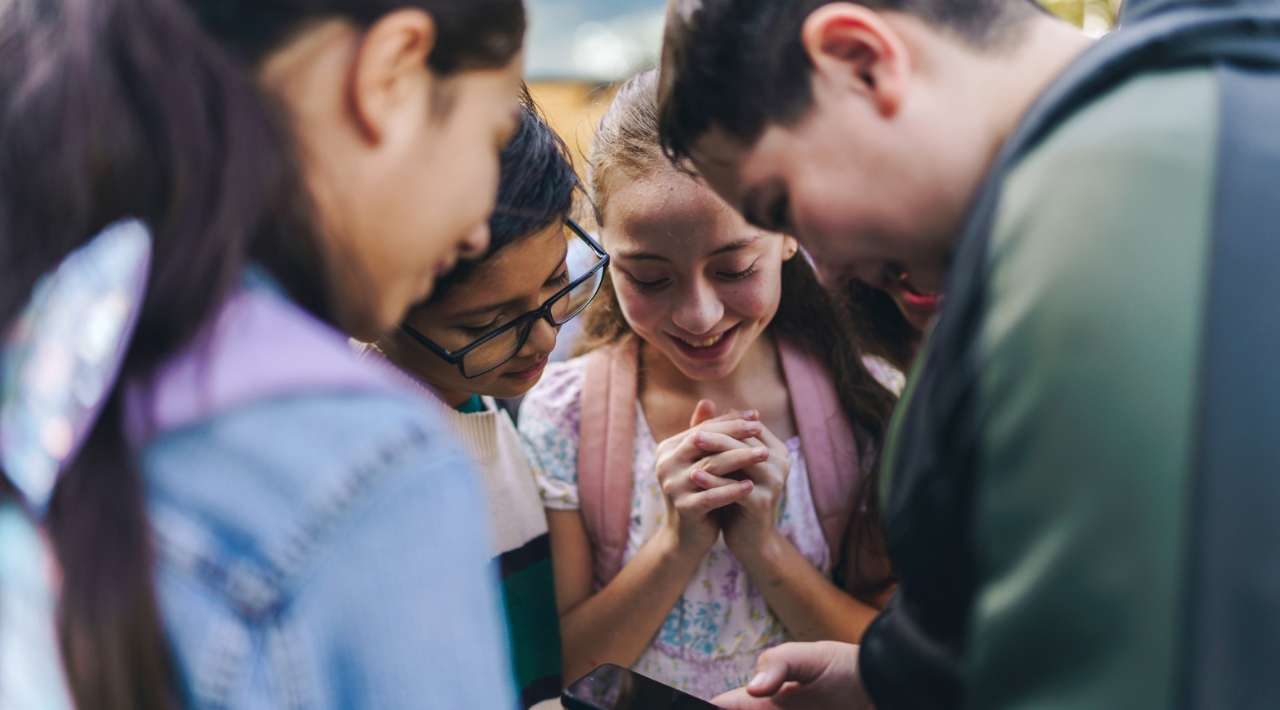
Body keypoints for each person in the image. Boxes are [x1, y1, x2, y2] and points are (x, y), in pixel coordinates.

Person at [657, 0, 1280, 708]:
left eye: (784, 205)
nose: (821, 268)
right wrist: (894, 680)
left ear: (860, 61)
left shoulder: (1101, 243)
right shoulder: (1213, 117)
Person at [0, 0, 528, 707]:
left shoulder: (43, 347)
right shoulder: (370, 467)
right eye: (494, 136)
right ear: (393, 73)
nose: (475, 230)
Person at [518, 70, 900, 701]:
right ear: (606, 256)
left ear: (786, 234)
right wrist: (676, 541)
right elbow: (560, 669)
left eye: (733, 268)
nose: (698, 316)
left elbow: (899, 660)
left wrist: (762, 546)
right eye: (650, 277)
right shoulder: (566, 416)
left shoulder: (867, 400)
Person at [370, 91, 607, 710]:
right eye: (487, 326)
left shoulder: (483, 404)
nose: (546, 337)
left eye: (558, 282)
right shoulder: (383, 476)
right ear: (377, 306)